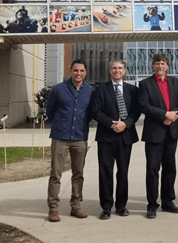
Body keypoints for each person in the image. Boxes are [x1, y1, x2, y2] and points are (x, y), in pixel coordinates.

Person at [139, 53, 178, 219]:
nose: (160, 66)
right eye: (157, 64)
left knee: (170, 168)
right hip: (154, 133)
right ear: (153, 66)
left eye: (163, 63)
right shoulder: (145, 84)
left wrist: (174, 114)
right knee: (152, 170)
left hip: (172, 132)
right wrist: (164, 115)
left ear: (167, 66)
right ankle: (152, 205)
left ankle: (168, 202)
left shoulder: (176, 82)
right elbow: (143, 106)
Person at [91, 60, 141, 220]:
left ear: (124, 70)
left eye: (120, 68)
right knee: (105, 171)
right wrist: (111, 125)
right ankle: (106, 207)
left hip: (125, 136)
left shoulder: (133, 90)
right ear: (110, 70)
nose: (117, 70)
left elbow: (137, 111)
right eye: (114, 68)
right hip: (106, 136)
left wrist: (125, 124)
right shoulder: (100, 90)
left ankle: (121, 205)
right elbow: (95, 111)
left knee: (123, 172)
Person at [45, 60, 94, 222]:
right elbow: (50, 111)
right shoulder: (59, 89)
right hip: (60, 138)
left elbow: (91, 114)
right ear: (70, 71)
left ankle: (76, 206)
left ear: (85, 72)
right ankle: (53, 209)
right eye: (75, 70)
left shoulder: (90, 91)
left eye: (81, 71)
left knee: (78, 174)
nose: (78, 73)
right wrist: (60, 125)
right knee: (55, 174)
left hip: (80, 138)